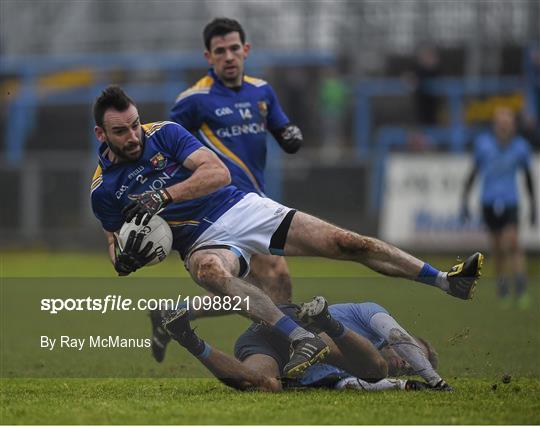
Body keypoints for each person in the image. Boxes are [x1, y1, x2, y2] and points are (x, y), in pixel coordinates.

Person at [90, 84, 483, 378]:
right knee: (208, 272)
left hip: (241, 207)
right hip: (201, 241)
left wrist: (163, 196)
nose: (133, 136)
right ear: (101, 134)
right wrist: (121, 261)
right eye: (121, 131)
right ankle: (299, 340)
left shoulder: (167, 133)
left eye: (135, 125)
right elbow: (114, 239)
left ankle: (447, 282)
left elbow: (217, 172)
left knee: (346, 242)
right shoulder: (104, 190)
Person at [170, 18, 301, 304]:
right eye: (220, 51)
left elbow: (283, 129)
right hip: (222, 208)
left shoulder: (262, 91)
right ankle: (286, 340)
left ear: (246, 49)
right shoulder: (193, 100)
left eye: (233, 48)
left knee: (259, 287)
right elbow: (168, 147)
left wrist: (290, 134)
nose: (228, 57)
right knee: (275, 275)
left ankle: (176, 313)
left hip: (256, 200)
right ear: (209, 56)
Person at [158, 296, 451, 392]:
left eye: (406, 369)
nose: (404, 363)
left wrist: (401, 385)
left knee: (261, 384)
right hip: (294, 322)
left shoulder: (353, 371)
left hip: (268, 344)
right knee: (375, 367)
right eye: (411, 358)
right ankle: (324, 325)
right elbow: (399, 338)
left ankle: (189, 338)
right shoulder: (372, 315)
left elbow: (355, 384)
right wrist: (435, 382)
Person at [461, 107, 537, 309]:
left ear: (513, 126)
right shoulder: (483, 145)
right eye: (501, 123)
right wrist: (464, 200)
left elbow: (528, 178)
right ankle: (503, 287)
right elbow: (474, 173)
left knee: (512, 243)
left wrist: (533, 205)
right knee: (497, 248)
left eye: (508, 123)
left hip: (511, 201)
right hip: (488, 201)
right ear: (495, 125)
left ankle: (520, 287)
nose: (505, 127)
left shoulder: (521, 147)